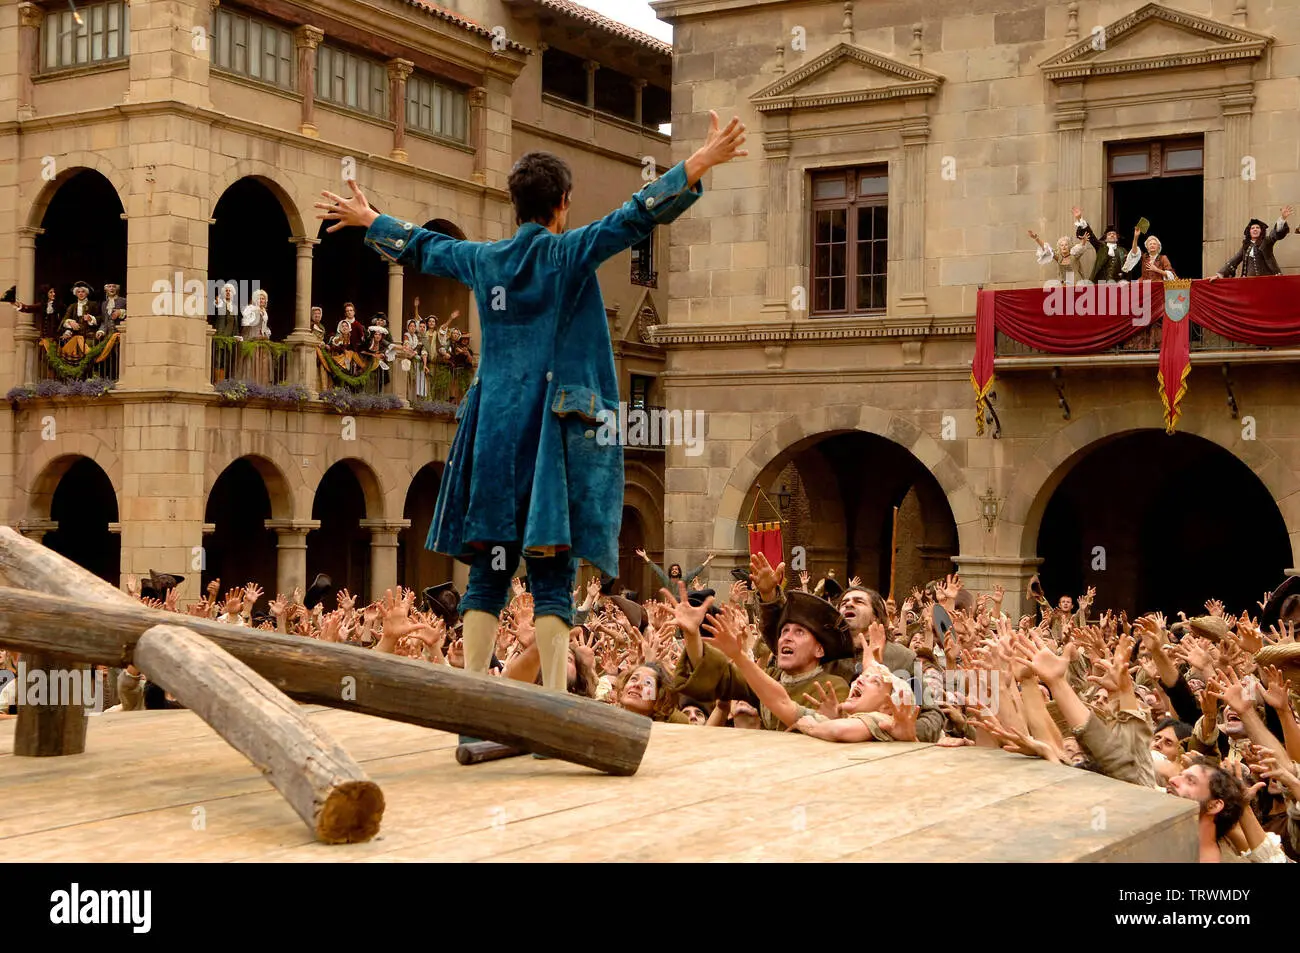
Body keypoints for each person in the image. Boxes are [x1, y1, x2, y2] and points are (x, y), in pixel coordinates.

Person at [318, 110, 747, 714]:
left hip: (492, 431)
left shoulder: (486, 260)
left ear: (514, 205)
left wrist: (370, 221)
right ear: (563, 203)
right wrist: (696, 164)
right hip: (549, 437)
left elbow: (426, 247)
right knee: (552, 573)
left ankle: (471, 699)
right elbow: (633, 217)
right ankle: (551, 705)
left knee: (489, 569)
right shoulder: (567, 254)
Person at [1212, 206, 1293, 279]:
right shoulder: (1246, 246)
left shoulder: (1266, 241)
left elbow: (1275, 235)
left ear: (1261, 231)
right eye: (1252, 228)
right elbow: (1234, 260)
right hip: (1249, 282)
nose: (1255, 229)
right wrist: (1219, 275)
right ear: (1249, 232)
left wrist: (1282, 219)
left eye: (1257, 228)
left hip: (1267, 281)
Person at [1072, 208, 1132, 282]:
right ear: (1106, 239)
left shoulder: (1123, 251)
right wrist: (1080, 218)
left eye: (1114, 234)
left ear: (1117, 238)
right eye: (1109, 234)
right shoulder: (1101, 247)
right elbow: (1091, 235)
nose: (1112, 235)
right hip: (1101, 283)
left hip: (1118, 284)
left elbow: (1128, 268)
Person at [635, 548, 713, 592]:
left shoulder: (684, 580)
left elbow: (695, 572)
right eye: (673, 569)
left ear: (679, 571)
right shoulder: (666, 580)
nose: (674, 570)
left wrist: (707, 560)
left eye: (676, 569)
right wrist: (645, 556)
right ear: (670, 571)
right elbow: (656, 569)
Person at [241, 288, 272, 383]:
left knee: (263, 361)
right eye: (260, 298)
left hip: (263, 339)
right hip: (253, 337)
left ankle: (261, 383)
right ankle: (252, 382)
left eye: (263, 298)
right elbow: (247, 324)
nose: (262, 300)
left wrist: (266, 332)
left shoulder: (264, 311)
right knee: (253, 359)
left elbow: (264, 325)